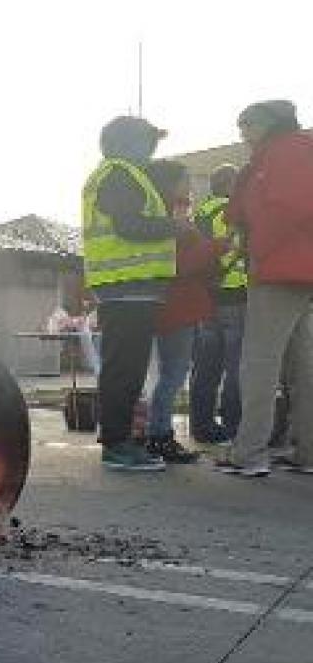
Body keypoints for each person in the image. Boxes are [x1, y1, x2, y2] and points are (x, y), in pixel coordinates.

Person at [82, 116, 185, 471]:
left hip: (130, 289)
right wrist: (175, 227)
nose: (154, 149)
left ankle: (121, 440)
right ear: (129, 143)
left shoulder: (121, 174)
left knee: (126, 368)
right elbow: (129, 226)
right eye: (149, 141)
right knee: (124, 370)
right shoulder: (119, 174)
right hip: (126, 288)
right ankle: (117, 445)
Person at [216, 100, 313, 476]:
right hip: (298, 271)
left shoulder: (287, 151)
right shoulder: (286, 151)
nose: (241, 133)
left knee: (259, 361)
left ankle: (250, 453)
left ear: (269, 123)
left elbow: (287, 206)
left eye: (247, 125)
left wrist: (258, 251)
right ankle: (306, 452)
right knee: (301, 363)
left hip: (280, 269)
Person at [143, 160, 224, 463]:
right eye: (184, 178)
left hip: (177, 305)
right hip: (177, 307)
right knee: (173, 375)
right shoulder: (171, 219)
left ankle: (157, 434)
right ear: (170, 184)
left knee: (171, 375)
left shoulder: (169, 215)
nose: (189, 183)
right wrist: (215, 248)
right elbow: (177, 265)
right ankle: (160, 435)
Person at [189, 165, 246, 444]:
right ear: (230, 185)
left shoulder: (199, 213)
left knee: (206, 366)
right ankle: (234, 426)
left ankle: (201, 425)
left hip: (206, 298)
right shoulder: (230, 211)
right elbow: (233, 248)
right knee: (237, 366)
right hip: (234, 294)